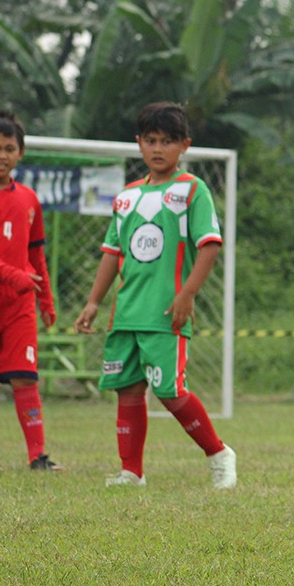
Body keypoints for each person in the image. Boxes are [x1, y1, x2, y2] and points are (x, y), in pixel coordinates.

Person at [73, 102, 236, 489]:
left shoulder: (192, 190)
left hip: (166, 313)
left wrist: (186, 294)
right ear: (139, 144)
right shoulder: (126, 197)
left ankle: (219, 454)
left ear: (185, 146)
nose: (158, 148)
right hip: (126, 313)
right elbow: (113, 254)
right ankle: (132, 471)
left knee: (169, 390)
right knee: (128, 391)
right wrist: (94, 301)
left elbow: (209, 246)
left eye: (167, 141)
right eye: (150, 141)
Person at [0, 110, 64, 470]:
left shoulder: (29, 199)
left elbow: (36, 255)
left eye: (9, 148)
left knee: (25, 375)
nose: (2, 155)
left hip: (20, 302)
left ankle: (37, 456)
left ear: (21, 153)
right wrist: (11, 275)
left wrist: (46, 300)